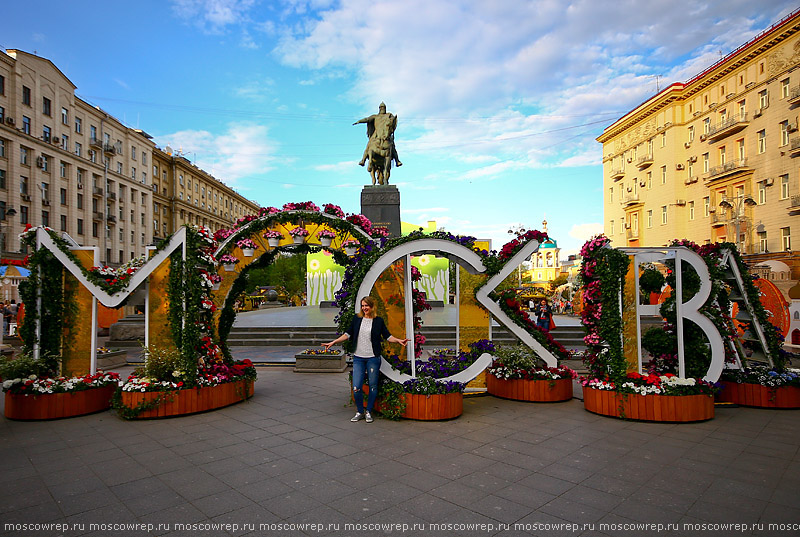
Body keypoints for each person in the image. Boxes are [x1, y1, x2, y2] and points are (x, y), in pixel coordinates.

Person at [322, 296, 409, 423]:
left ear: (372, 306)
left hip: (373, 358)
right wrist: (334, 342)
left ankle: (368, 411)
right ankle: (360, 411)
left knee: (373, 386)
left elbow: (387, 336)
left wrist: (399, 340)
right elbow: (347, 334)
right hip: (358, 358)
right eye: (362, 306)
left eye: (366, 305)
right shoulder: (357, 319)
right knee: (356, 387)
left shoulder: (378, 321)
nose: (364, 308)